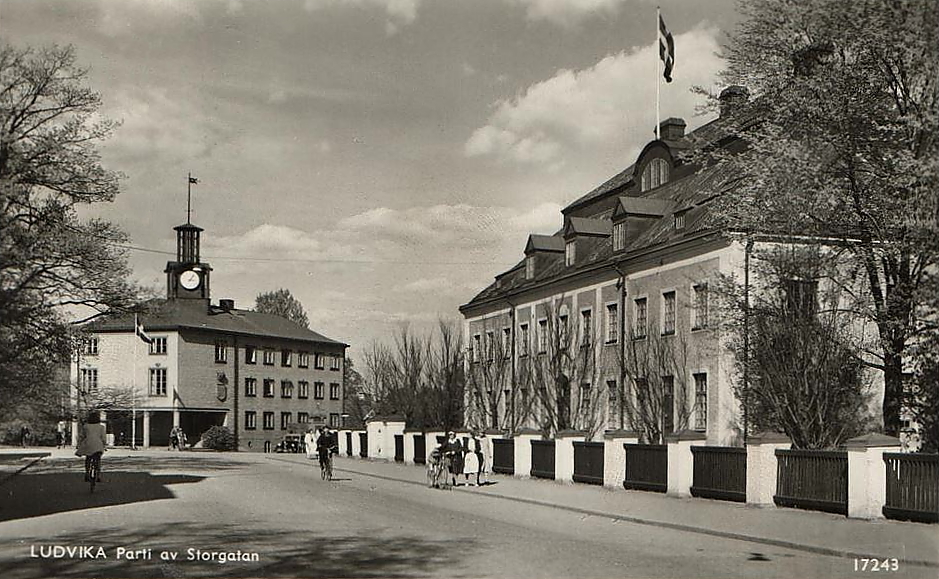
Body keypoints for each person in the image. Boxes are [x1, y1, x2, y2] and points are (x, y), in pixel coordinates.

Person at [76, 411, 107, 483]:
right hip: (98, 445)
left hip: (88, 444)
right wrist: (104, 445)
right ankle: (98, 476)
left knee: (88, 458)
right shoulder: (101, 427)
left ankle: (87, 473)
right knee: (98, 460)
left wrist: (79, 444)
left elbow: (81, 436)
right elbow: (103, 438)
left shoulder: (86, 426)